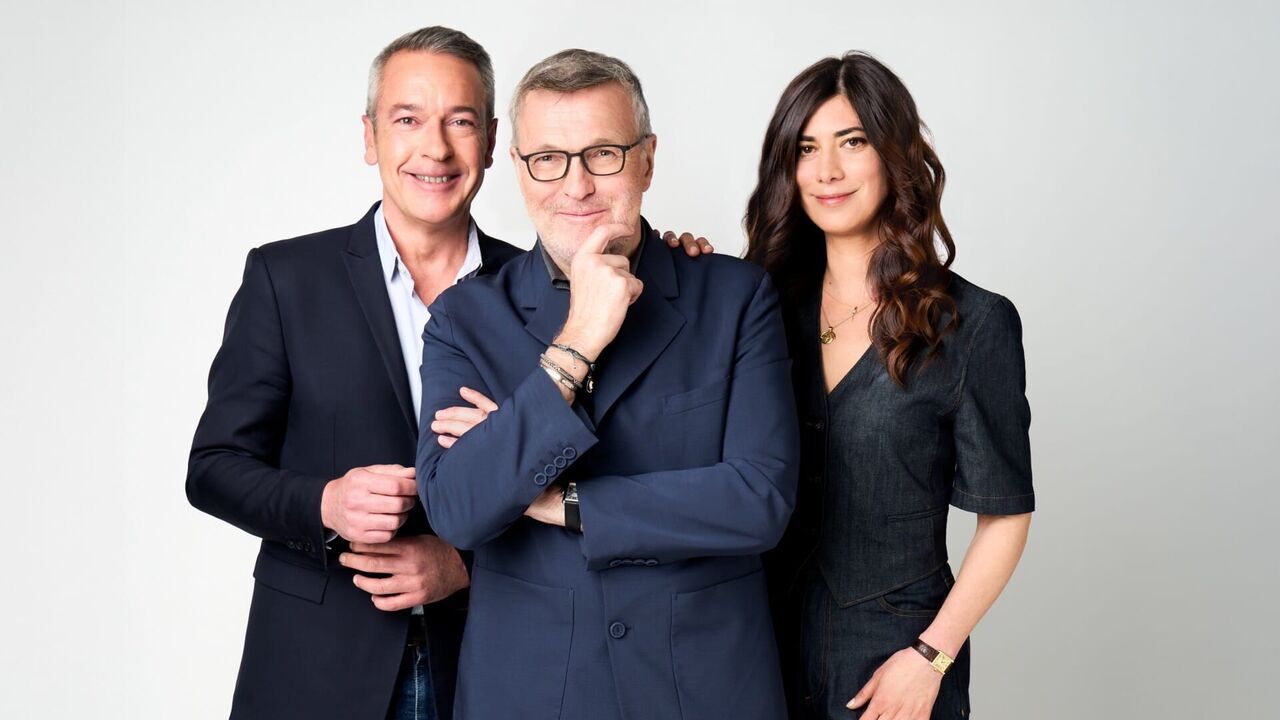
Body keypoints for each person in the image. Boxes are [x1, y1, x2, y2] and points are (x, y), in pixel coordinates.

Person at [415, 49, 798, 720]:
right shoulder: (464, 319)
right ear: (519, 170)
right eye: (549, 158)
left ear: (646, 160)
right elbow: (459, 509)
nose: (577, 186)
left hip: (704, 688)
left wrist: (560, 501)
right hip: (531, 693)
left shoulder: (736, 297)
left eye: (603, 154)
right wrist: (577, 342)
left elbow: (758, 499)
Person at [185, 27, 522, 720]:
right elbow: (213, 468)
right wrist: (326, 504)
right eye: (408, 120)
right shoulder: (285, 279)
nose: (435, 148)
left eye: (460, 121)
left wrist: (463, 565)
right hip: (315, 667)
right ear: (370, 137)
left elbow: (584, 485)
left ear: (490, 141)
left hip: (489, 664)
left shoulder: (543, 293)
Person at [743, 52, 1036, 719]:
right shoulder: (760, 308)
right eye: (807, 148)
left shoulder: (973, 324)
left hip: (894, 664)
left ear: (894, 154)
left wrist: (932, 656)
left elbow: (1006, 515)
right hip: (759, 653)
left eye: (852, 142)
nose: (827, 170)